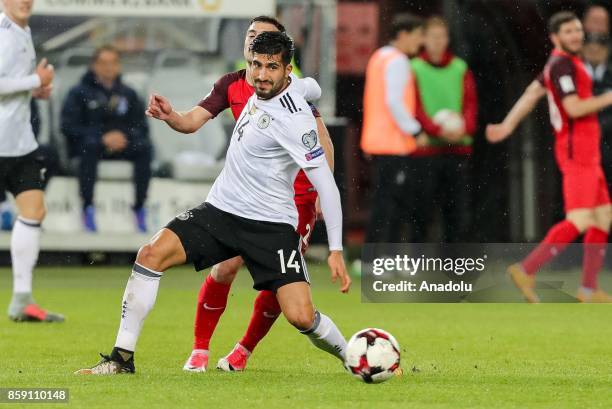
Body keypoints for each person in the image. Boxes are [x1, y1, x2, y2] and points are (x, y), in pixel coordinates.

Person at [76, 31, 350, 375]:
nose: (261, 75)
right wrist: (171, 115)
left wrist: (336, 248)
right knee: (150, 255)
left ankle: (354, 357)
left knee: (301, 316)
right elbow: (312, 87)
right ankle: (121, 360)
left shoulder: (294, 121)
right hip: (222, 211)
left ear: (285, 68)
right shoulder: (286, 84)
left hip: (270, 225)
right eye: (256, 65)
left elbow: (326, 183)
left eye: (271, 67)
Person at [161, 16, 334, 373]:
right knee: (223, 268)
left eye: (264, 38)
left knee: (281, 283)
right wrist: (171, 116)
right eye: (251, 36)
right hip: (243, 199)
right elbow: (193, 120)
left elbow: (320, 135)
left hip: (293, 199)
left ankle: (244, 349)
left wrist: (321, 189)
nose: (255, 41)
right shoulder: (231, 84)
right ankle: (199, 349)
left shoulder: (288, 88)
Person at [486, 11, 612, 303]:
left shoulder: (560, 63)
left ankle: (588, 289)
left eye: (577, 30)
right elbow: (575, 109)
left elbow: (532, 93)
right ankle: (525, 269)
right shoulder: (563, 66)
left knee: (603, 216)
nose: (576, 36)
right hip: (576, 150)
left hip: (587, 150)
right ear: (555, 37)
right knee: (580, 219)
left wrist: (507, 125)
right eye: (568, 32)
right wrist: (608, 97)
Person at [0, 0, 63, 322]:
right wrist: (34, 82)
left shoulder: (21, 31)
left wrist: (32, 91)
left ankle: (22, 300)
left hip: (18, 145)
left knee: (34, 210)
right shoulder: (3, 33)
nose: (24, 1)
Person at [61, 45, 152, 233]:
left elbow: (141, 126)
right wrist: (101, 137)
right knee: (89, 146)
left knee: (144, 148)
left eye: (113, 63)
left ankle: (140, 208)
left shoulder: (129, 93)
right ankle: (88, 208)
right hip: (92, 147)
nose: (108, 68)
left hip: (122, 146)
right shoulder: (78, 93)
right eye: (103, 63)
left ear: (119, 66)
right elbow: (68, 127)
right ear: (93, 65)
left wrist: (124, 136)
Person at [409, 16, 478, 242]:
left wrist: (465, 129)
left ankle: (453, 262)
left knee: (457, 210)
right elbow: (413, 105)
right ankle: (417, 259)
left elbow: (470, 103)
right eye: (433, 36)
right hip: (427, 149)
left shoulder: (460, 67)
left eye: (442, 36)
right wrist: (436, 130)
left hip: (457, 149)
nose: (438, 41)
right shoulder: (414, 68)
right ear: (424, 39)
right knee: (422, 209)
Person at [360, 14, 425, 243]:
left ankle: (371, 258)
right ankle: (383, 259)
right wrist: (416, 130)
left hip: (376, 141)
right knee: (394, 205)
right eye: (418, 35)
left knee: (381, 202)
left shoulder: (379, 56)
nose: (421, 42)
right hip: (393, 143)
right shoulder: (398, 61)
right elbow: (394, 101)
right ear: (404, 34)